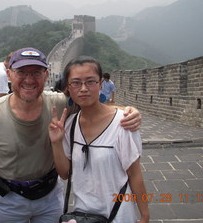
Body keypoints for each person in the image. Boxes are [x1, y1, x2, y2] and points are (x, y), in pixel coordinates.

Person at [0, 47, 142, 223]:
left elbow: (92, 105)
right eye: (21, 72)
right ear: (9, 74)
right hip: (8, 200)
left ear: (46, 75)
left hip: (49, 198)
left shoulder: (59, 104)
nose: (29, 79)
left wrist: (127, 110)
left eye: (36, 72)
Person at [49, 56, 149, 223]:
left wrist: (145, 216)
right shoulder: (70, 125)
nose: (83, 88)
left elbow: (135, 174)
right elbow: (65, 173)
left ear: (101, 84)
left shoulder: (123, 124)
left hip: (118, 215)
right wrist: (56, 142)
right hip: (82, 216)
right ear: (68, 87)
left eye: (90, 81)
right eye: (76, 82)